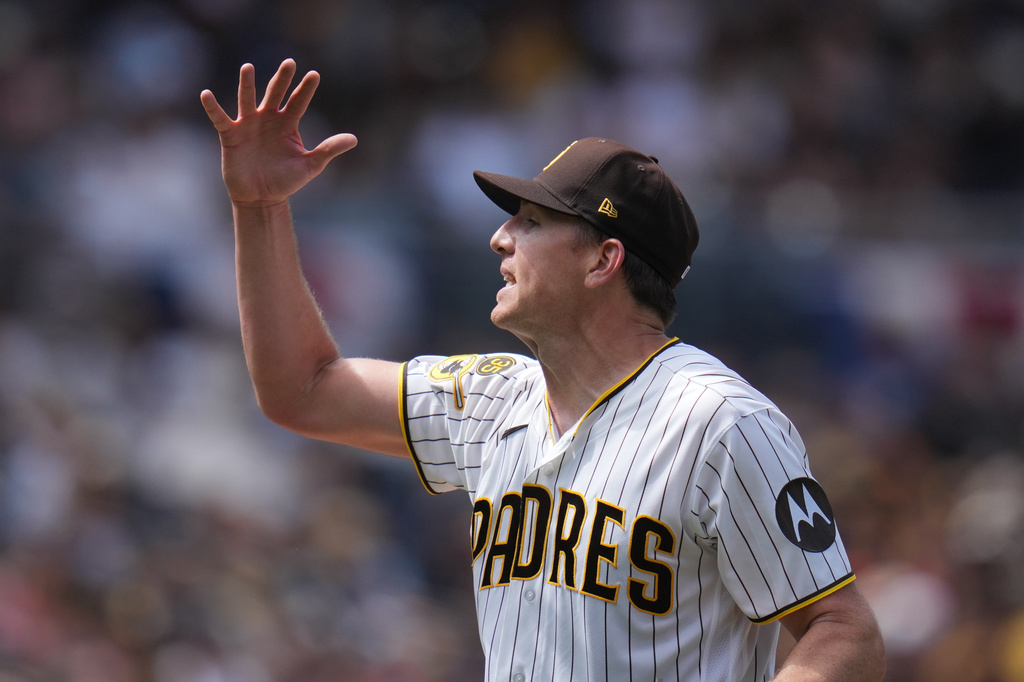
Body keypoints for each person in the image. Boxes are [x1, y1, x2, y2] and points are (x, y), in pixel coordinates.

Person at [200, 59, 885, 681]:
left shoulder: (721, 423)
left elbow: (842, 632)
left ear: (602, 261)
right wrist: (259, 208)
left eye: (531, 221)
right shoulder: (491, 399)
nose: (500, 237)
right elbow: (302, 389)